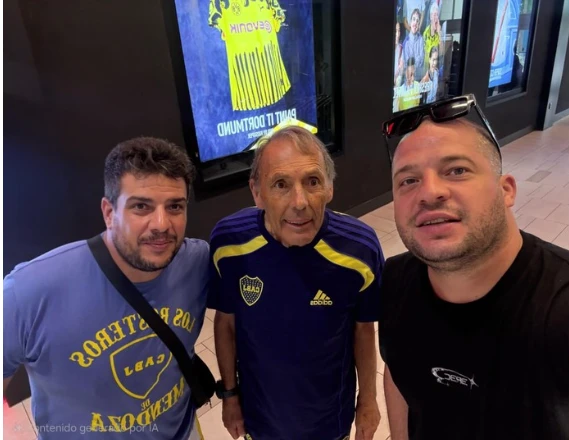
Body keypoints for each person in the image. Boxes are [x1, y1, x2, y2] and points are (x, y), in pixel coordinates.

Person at [379, 95, 569, 440]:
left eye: (456, 170)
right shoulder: (394, 280)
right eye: (409, 180)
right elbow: (398, 374)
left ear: (506, 190)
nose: (429, 193)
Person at [3, 137, 210, 439]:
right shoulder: (28, 291)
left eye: (175, 206)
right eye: (141, 206)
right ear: (109, 213)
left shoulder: (197, 260)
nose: (161, 224)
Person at [208, 126, 383, 440]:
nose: (300, 202)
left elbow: (363, 331)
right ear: (257, 192)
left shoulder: (360, 250)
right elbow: (226, 324)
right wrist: (230, 397)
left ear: (329, 187)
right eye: (281, 184)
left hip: (330, 420)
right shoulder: (228, 243)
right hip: (259, 418)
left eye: (312, 181)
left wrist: (368, 400)